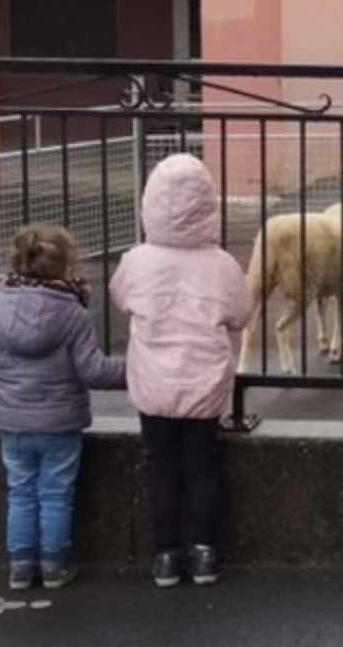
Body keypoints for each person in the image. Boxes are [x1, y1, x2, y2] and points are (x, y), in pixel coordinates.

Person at [0, 224, 125, 592]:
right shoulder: (73, 314)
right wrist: (137, 369)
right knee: (56, 494)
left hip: (13, 425)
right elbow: (93, 371)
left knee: (21, 491)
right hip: (60, 425)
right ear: (66, 266)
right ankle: (54, 565)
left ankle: (21, 566)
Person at [109, 153, 250, 588]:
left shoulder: (137, 260)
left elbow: (120, 298)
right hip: (204, 384)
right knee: (202, 467)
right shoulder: (223, 264)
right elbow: (241, 314)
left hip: (153, 385)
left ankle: (167, 555)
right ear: (209, 206)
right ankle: (205, 553)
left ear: (150, 202)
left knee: (161, 468)